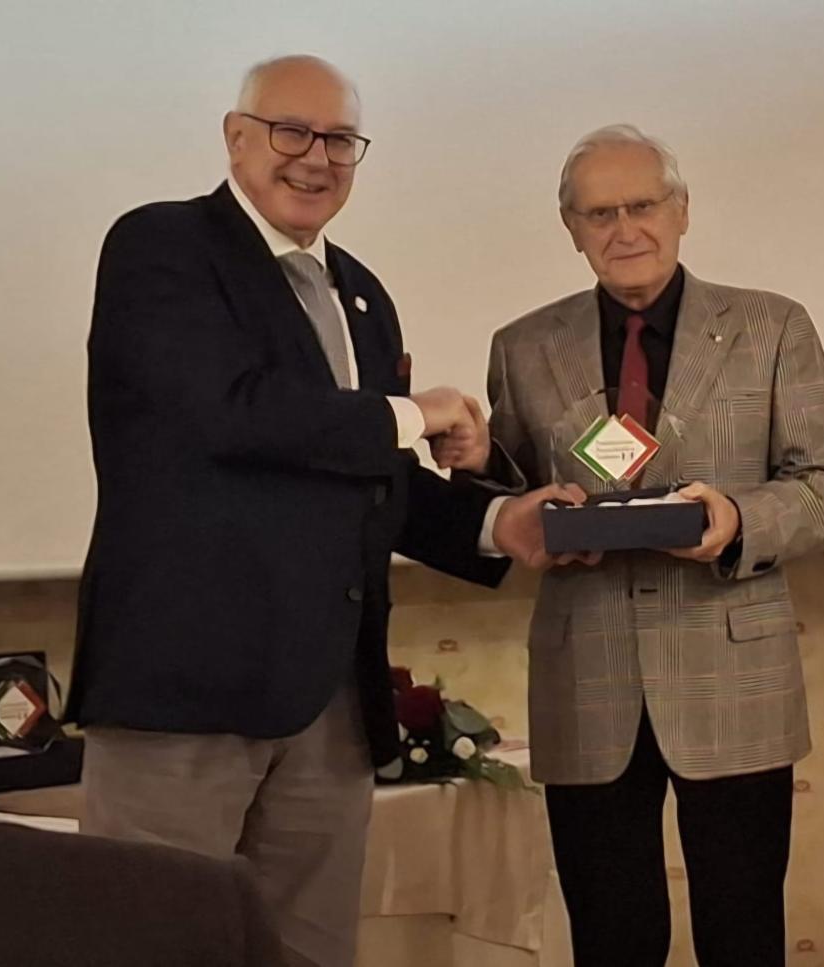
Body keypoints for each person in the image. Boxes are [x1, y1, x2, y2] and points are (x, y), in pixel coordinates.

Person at [66, 54, 570, 967]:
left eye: (340, 139)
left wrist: (501, 522)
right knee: (152, 943)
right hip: (184, 691)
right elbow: (229, 413)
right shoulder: (161, 246)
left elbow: (360, 475)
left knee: (311, 952)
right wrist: (413, 414)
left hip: (330, 703)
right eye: (290, 131)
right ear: (235, 138)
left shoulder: (364, 297)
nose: (316, 157)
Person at [437, 124, 824, 966]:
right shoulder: (522, 345)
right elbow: (513, 497)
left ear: (682, 210)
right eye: (600, 213)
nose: (624, 229)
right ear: (571, 227)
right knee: (611, 939)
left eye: (642, 205)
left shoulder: (772, 326)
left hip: (734, 679)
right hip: (586, 683)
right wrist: (481, 465)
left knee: (744, 935)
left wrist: (736, 519)